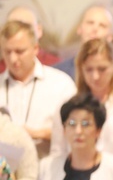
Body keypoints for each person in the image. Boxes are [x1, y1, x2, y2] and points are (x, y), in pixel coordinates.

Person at [50, 37, 113, 164]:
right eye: (89, 69)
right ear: (81, 69)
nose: (95, 76)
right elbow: (58, 153)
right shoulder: (68, 106)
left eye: (102, 69)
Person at [0, 20, 77, 157]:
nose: (13, 59)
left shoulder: (61, 84)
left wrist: (37, 134)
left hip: (48, 170)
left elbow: (77, 130)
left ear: (35, 48)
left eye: (19, 51)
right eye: (7, 52)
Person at [55, 5, 113, 78]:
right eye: (90, 23)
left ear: (110, 36)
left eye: (102, 25)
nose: (95, 28)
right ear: (79, 28)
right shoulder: (59, 73)